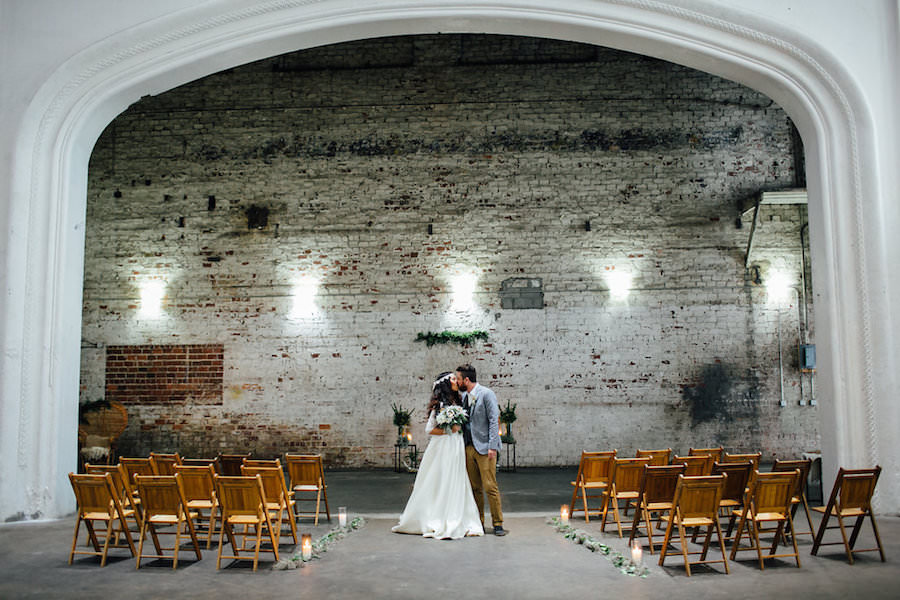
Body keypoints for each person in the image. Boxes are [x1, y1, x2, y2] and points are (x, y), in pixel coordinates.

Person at [391, 372, 484, 539]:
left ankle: (458, 516)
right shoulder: (440, 404)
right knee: (442, 479)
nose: (457, 381)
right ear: (446, 384)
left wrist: (458, 429)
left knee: (457, 478)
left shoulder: (459, 400)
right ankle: (439, 517)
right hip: (443, 446)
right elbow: (429, 429)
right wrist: (449, 429)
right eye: (454, 379)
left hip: (456, 445)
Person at [456, 363, 506, 536]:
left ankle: (498, 523)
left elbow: (494, 420)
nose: (457, 381)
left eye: (459, 378)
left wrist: (493, 446)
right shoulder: (464, 397)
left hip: (485, 448)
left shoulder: (486, 394)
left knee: (490, 486)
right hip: (469, 447)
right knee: (474, 488)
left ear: (466, 380)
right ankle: (479, 522)